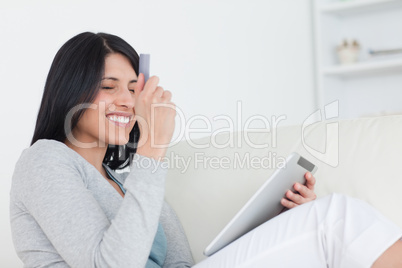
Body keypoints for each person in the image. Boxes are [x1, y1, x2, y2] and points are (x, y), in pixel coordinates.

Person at [9, 32, 402, 268]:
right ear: (70, 91)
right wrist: (153, 147)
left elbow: (182, 263)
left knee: (322, 227)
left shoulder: (129, 181)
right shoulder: (45, 160)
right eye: (108, 86)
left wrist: (283, 230)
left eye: (133, 89)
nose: (127, 102)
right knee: (338, 219)